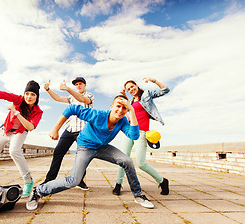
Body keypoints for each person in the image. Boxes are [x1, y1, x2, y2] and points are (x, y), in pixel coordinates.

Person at [26, 95, 155, 211]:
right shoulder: (98, 115)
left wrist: (132, 111)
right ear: (111, 106)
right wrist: (55, 129)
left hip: (102, 146)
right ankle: (38, 191)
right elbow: (71, 109)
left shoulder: (123, 121)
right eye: (118, 106)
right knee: (74, 180)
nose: (121, 110)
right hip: (86, 146)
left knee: (127, 161)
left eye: (124, 108)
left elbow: (134, 136)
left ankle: (138, 195)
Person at [112, 77, 170, 196]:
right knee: (122, 158)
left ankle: (162, 181)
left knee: (141, 163)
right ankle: (118, 184)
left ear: (137, 85)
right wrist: (124, 96)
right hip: (129, 131)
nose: (131, 89)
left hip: (142, 132)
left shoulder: (146, 95)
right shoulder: (132, 101)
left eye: (132, 86)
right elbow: (131, 109)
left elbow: (165, 90)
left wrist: (154, 80)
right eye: (128, 89)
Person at [42, 77, 94, 190]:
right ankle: (49, 180)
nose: (78, 86)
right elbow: (58, 98)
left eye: (80, 84)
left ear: (85, 85)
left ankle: (79, 180)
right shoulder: (71, 97)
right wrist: (48, 90)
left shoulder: (89, 95)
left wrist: (68, 89)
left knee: (82, 156)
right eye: (76, 85)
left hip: (83, 130)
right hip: (69, 129)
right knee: (58, 152)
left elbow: (82, 99)